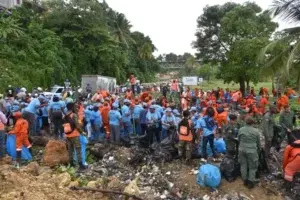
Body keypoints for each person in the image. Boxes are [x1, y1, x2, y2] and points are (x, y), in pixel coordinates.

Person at [238, 116, 261, 189]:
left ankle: (245, 180)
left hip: (241, 149)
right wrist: (259, 151)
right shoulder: (256, 131)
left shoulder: (241, 129)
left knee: (243, 164)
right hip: (251, 150)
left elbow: (238, 139)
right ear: (252, 123)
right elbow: (258, 143)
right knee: (253, 166)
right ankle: (251, 182)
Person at [63, 102, 86, 169]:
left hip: (67, 135)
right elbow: (77, 126)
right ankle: (81, 165)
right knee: (78, 149)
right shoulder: (73, 115)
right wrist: (82, 132)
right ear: (72, 107)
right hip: (75, 135)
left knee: (70, 150)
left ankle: (71, 164)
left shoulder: (65, 115)